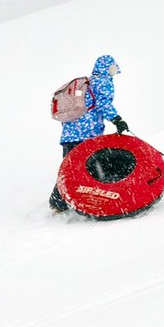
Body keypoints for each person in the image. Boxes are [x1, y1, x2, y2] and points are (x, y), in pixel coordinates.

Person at [49, 54, 130, 213]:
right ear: (109, 68)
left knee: (70, 168)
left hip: (69, 134)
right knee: (91, 167)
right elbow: (102, 104)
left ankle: (58, 202)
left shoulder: (87, 83)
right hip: (88, 133)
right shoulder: (103, 82)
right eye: (113, 66)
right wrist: (117, 119)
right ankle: (94, 201)